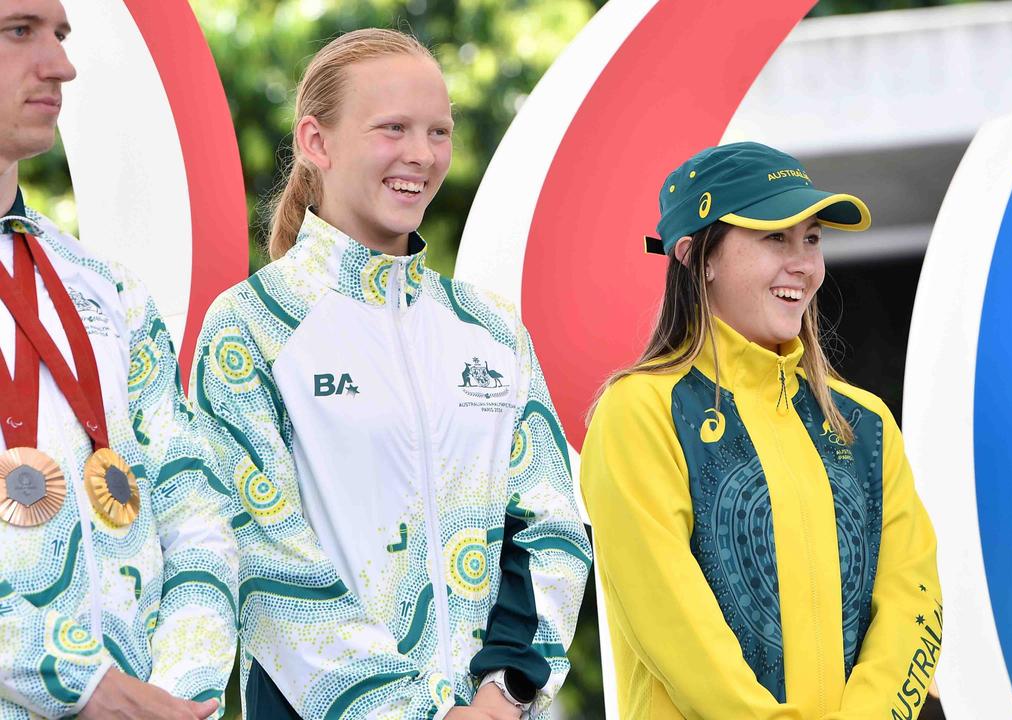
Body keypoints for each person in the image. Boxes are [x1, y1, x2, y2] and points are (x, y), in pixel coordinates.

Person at [189, 28, 591, 720]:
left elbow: (550, 523)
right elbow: (263, 558)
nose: (422, 155)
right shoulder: (250, 328)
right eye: (393, 128)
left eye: (439, 131)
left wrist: (503, 694)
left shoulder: (489, 330)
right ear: (317, 143)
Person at [580, 141, 942, 719]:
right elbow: (676, 627)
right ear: (699, 256)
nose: (804, 263)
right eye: (775, 236)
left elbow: (913, 603)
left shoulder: (864, 422)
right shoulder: (640, 413)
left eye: (813, 239)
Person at [0, 1, 238, 718]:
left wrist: (177, 693)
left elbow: (195, 511)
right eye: (19, 31)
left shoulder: (106, 288)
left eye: (62, 35)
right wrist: (84, 689)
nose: (61, 65)